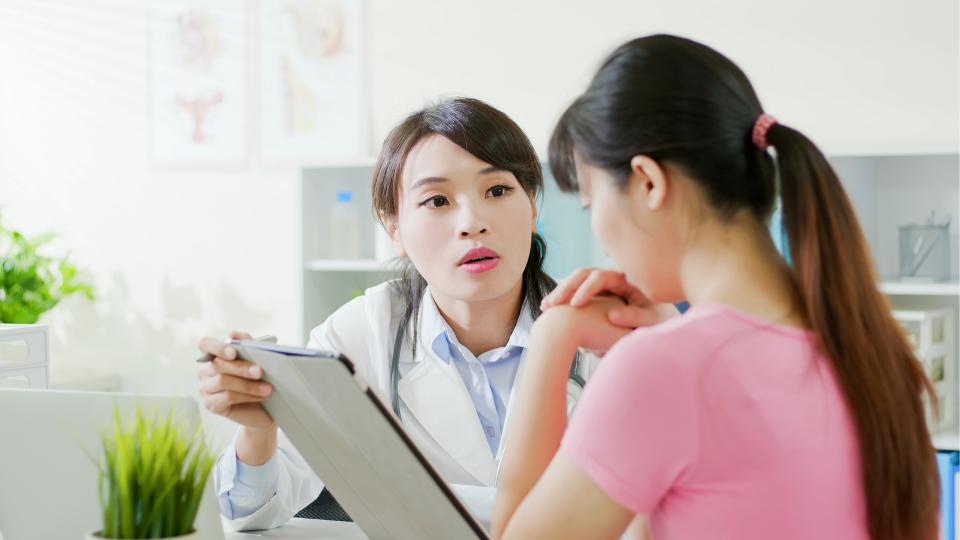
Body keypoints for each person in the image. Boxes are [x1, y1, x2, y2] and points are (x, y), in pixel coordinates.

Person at [492, 34, 940, 540]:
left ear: (648, 183)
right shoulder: (875, 351)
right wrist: (669, 330)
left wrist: (554, 333)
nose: (600, 235)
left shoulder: (664, 368)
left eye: (592, 205)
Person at [196, 97, 672, 531]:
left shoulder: (608, 331)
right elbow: (251, 516)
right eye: (437, 201)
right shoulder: (361, 333)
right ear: (394, 227)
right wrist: (259, 432)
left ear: (532, 204)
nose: (472, 222)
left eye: (498, 191)